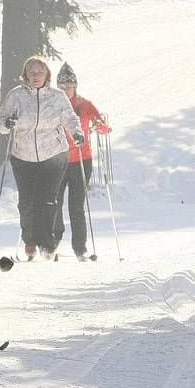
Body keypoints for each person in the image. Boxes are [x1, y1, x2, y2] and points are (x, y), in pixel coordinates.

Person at [0, 56, 81, 262]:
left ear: (47, 75)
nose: (35, 76)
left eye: (39, 72)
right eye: (31, 72)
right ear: (25, 75)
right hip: (23, 155)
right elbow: (0, 122)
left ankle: (47, 244)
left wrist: (76, 132)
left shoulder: (57, 96)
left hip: (53, 154)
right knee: (27, 201)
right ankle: (30, 240)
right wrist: (6, 124)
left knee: (48, 199)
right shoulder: (15, 96)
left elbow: (70, 118)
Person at [53, 63, 108, 261]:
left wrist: (101, 127)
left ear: (75, 86)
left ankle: (80, 248)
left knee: (76, 206)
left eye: (69, 85)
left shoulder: (84, 105)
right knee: (54, 204)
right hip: (57, 160)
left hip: (81, 161)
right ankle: (52, 245)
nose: (65, 89)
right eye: (61, 86)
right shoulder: (52, 105)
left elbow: (100, 123)